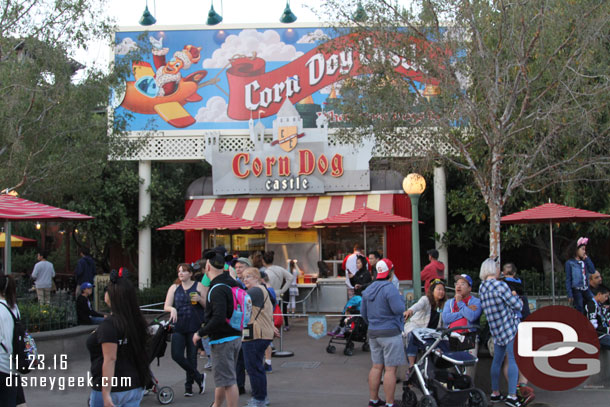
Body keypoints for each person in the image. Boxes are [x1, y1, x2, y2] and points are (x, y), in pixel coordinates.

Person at [86, 269, 151, 407]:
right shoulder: (136, 322)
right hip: (134, 385)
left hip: (114, 388)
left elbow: (110, 359)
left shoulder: (109, 325)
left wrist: (106, 393)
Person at [193, 250, 242, 407]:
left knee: (228, 381)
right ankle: (216, 405)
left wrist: (200, 333)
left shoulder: (217, 289)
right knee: (223, 378)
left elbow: (218, 318)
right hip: (234, 336)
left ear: (208, 266)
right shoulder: (230, 282)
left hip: (223, 339)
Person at [479, 258, 524, 407]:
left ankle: (495, 392)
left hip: (495, 329)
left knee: (497, 361)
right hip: (509, 327)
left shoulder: (482, 288)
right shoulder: (501, 286)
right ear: (494, 269)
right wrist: (516, 297)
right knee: (512, 360)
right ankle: (512, 396)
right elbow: (517, 305)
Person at [361, 258, 406, 407]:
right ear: (391, 272)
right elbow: (399, 310)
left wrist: (373, 324)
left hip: (373, 332)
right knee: (390, 370)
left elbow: (363, 314)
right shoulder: (390, 288)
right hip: (390, 333)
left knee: (376, 367)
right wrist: (400, 298)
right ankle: (389, 403)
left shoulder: (368, 289)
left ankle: (373, 400)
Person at [164, 263, 206, 397]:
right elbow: (166, 306)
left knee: (192, 357)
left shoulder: (198, 286)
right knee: (177, 355)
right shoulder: (174, 287)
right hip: (179, 325)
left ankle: (189, 387)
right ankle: (199, 378)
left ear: (190, 274)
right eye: (179, 271)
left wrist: (199, 299)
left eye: (184, 271)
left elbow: (207, 305)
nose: (181, 273)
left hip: (194, 325)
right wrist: (172, 309)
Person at [500, 263, 534, 404]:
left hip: (506, 329)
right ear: (514, 273)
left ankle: (515, 390)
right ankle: (523, 387)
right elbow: (526, 314)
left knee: (509, 360)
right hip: (521, 328)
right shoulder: (521, 292)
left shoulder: (500, 289)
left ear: (503, 273)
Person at [241, 267, 275, 407]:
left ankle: (259, 398)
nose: (245, 280)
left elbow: (238, 300)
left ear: (257, 277)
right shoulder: (263, 290)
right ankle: (261, 397)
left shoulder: (255, 291)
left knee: (253, 368)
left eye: (248, 276)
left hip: (256, 334)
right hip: (262, 333)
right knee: (257, 367)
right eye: (243, 277)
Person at [442, 274, 482, 380]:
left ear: (469, 288)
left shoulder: (475, 301)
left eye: (463, 284)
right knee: (450, 366)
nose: (458, 286)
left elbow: (471, 316)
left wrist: (460, 303)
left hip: (468, 338)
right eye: (457, 284)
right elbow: (446, 318)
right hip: (452, 337)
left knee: (469, 366)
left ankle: (468, 388)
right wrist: (464, 310)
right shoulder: (449, 302)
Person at [404, 279, 447, 371]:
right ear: (432, 290)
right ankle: (411, 366)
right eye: (439, 289)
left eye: (443, 290)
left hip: (432, 332)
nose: (441, 292)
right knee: (413, 335)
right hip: (417, 327)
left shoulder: (443, 305)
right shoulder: (426, 300)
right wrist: (410, 311)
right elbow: (418, 305)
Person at [1, 273, 19, 407]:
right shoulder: (13, 307)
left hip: (3, 366)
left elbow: (7, 342)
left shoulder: (2, 309)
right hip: (10, 367)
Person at [262, 251, 293, 332]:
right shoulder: (279, 269)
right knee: (277, 314)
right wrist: (282, 290)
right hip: (278, 294)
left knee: (269, 317)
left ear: (263, 261)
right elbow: (290, 277)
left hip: (268, 295)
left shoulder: (264, 272)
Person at [565, 237, 596, 313]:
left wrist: (587, 259)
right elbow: (568, 279)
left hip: (586, 289)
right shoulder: (570, 263)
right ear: (576, 250)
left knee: (593, 303)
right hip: (577, 290)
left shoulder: (584, 261)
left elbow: (592, 270)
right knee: (580, 308)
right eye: (582, 249)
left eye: (585, 249)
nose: (584, 251)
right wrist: (570, 294)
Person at [584, 285, 610, 350]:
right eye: (606, 296)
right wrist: (607, 329)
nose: (606, 299)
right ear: (599, 294)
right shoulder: (592, 305)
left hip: (602, 334)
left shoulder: (600, 305)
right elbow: (593, 326)